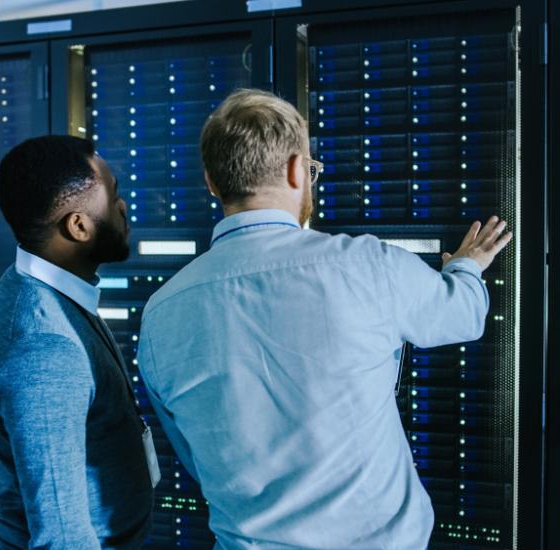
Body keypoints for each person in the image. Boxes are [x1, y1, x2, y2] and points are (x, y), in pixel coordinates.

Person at [137, 89, 512, 549]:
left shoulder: (160, 313)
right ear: (298, 170)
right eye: (312, 171)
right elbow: (463, 314)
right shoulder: (367, 265)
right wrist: (466, 267)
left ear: (212, 182)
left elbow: (193, 455)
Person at [0, 135, 158, 550]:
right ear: (78, 226)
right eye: (114, 195)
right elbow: (61, 535)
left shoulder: (42, 288)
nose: (125, 207)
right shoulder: (43, 347)